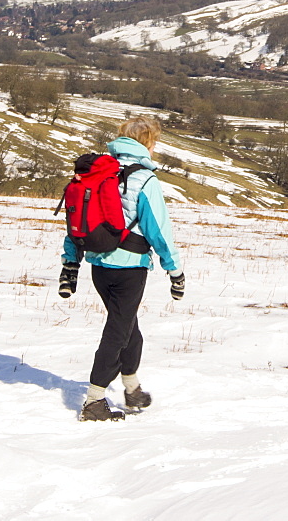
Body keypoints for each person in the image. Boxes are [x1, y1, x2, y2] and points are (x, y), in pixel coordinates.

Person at [59, 116, 184, 422]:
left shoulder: (99, 173)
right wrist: (174, 269)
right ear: (149, 143)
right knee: (118, 330)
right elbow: (159, 230)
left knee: (128, 325)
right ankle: (94, 401)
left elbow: (77, 222)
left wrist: (71, 261)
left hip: (99, 265)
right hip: (129, 268)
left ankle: (132, 388)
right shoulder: (145, 179)